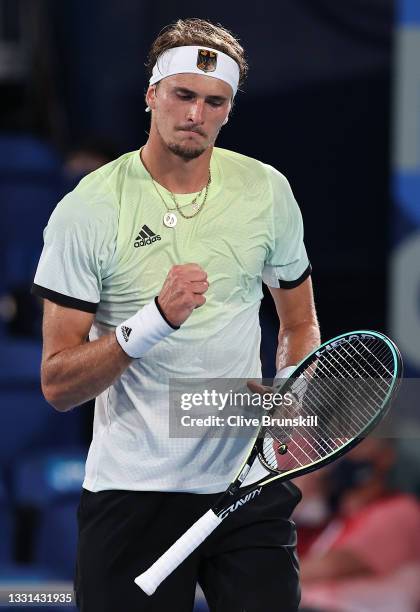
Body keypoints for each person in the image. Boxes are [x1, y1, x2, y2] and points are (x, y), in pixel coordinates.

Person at [32, 18, 320, 612]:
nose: (196, 113)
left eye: (215, 101)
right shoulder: (87, 209)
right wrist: (153, 321)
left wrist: (289, 394)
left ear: (229, 109)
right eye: (183, 95)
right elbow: (58, 384)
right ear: (151, 95)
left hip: (248, 488)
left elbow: (298, 323)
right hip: (134, 492)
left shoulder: (267, 190)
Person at [299, 438, 420, 611]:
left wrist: (263, 575)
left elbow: (335, 566)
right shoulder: (331, 521)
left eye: (357, 445)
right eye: (336, 448)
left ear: (385, 457)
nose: (344, 454)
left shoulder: (401, 509)